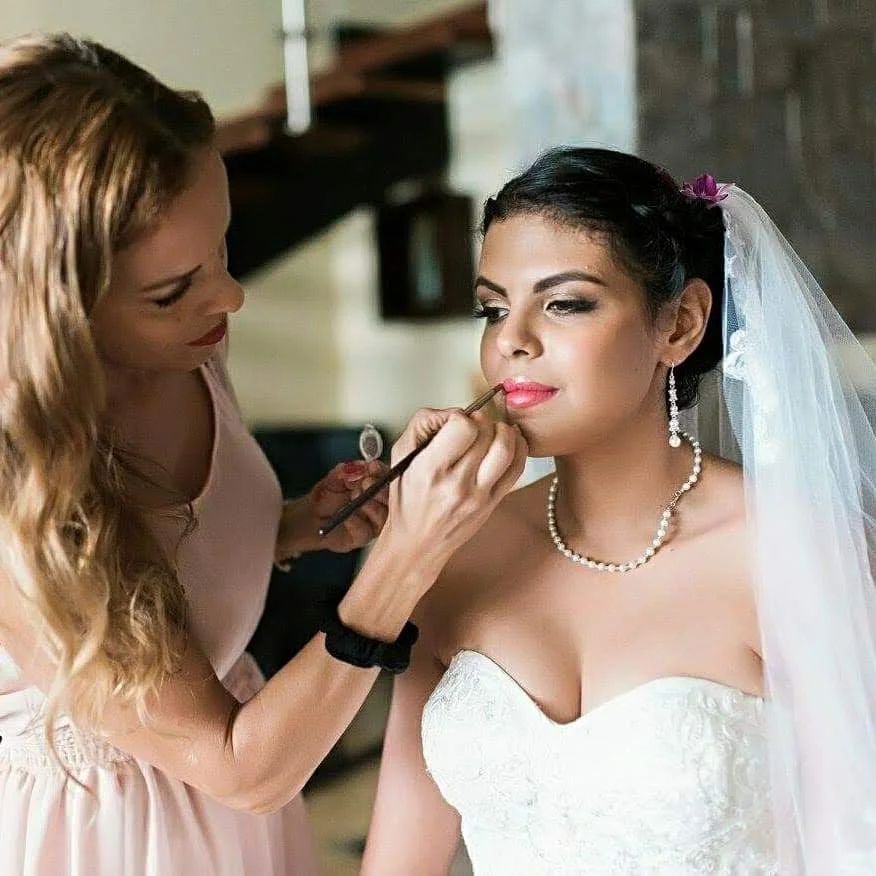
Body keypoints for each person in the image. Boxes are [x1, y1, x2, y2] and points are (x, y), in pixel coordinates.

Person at [0, 33, 528, 876]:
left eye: (223, 250)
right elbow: (243, 767)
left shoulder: (189, 345)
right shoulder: (17, 495)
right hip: (112, 838)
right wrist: (406, 558)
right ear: (55, 314)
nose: (230, 297)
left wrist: (294, 528)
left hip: (239, 805)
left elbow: (165, 565)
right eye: (174, 290)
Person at [362, 147, 876, 874]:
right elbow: (397, 863)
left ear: (679, 324)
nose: (511, 340)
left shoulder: (795, 554)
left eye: (565, 302)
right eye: (493, 308)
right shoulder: (455, 555)